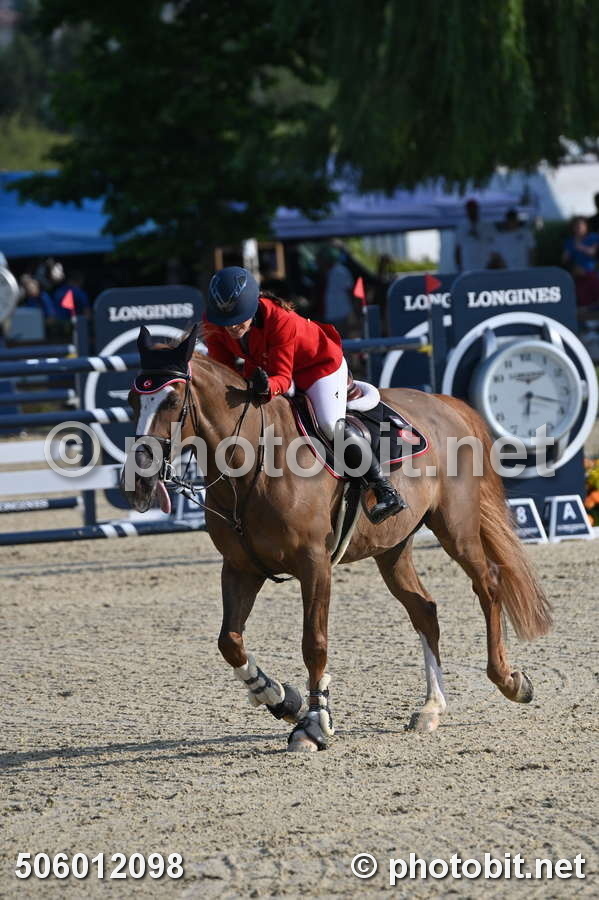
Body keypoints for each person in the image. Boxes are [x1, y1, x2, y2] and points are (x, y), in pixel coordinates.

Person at [204, 266, 405, 523]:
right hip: (266, 366)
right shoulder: (215, 322)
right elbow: (224, 370)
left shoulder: (280, 320)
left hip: (318, 367)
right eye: (226, 320)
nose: (231, 325)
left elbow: (282, 378)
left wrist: (265, 387)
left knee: (329, 424)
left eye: (238, 318)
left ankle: (383, 488)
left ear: (252, 307)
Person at [562, 216, 599, 313]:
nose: (578, 228)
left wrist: (580, 247)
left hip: (592, 273)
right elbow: (565, 259)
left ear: (586, 226)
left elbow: (594, 252)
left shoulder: (594, 237)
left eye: (581, 225)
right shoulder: (570, 241)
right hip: (577, 275)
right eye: (576, 226)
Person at [454, 199, 496, 272]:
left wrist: (492, 263)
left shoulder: (487, 225)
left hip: (485, 265)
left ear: (477, 209)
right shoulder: (461, 227)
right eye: (469, 209)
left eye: (473, 208)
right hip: (467, 265)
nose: (471, 211)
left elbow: (494, 245)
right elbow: (458, 248)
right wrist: (459, 266)